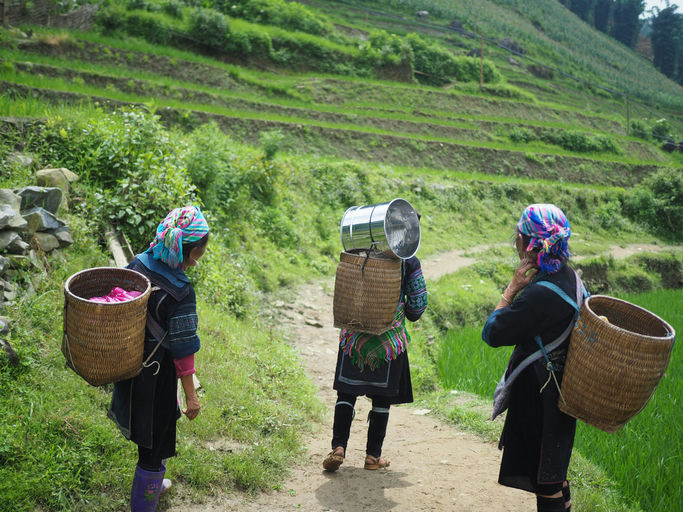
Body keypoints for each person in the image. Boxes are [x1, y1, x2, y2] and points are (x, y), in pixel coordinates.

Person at [481, 204, 587, 512]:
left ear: (529, 244)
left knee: (547, 483)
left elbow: (493, 333)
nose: (515, 241)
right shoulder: (570, 279)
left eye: (518, 236)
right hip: (561, 391)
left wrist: (511, 288)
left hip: (540, 400)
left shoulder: (537, 294)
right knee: (554, 474)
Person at [109, 206, 209, 512]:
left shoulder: (138, 263)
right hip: (156, 375)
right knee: (153, 444)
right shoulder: (181, 291)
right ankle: (144, 503)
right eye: (202, 249)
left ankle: (156, 484)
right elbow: (183, 351)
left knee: (153, 434)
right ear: (191, 252)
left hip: (130, 364)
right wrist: (191, 397)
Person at [323, 254, 428, 472]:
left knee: (346, 394)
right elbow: (417, 305)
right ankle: (373, 456)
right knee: (382, 399)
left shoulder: (355, 250)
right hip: (387, 341)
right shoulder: (408, 260)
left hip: (354, 338)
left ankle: (338, 448)